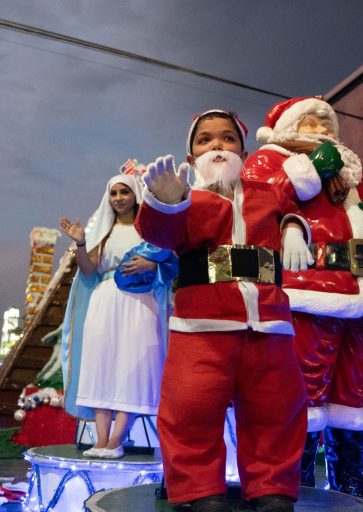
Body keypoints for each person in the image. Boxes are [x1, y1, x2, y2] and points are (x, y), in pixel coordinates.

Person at [243, 97, 363, 504]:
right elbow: (254, 204)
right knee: (303, 389)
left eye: (328, 126)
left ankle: (352, 483)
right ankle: (298, 483)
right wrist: (307, 171)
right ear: (289, 126)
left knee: (359, 391)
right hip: (312, 290)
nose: (324, 131)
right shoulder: (271, 159)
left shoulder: (354, 173)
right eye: (312, 123)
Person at [137, 109, 315, 512]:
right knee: (190, 411)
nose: (217, 144)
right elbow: (160, 234)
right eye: (204, 139)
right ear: (190, 157)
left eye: (227, 138)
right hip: (201, 327)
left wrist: (293, 228)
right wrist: (164, 204)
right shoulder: (187, 199)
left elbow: (295, 210)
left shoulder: (267, 192)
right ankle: (199, 492)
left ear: (243, 149)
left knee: (277, 411)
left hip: (269, 325)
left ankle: (272, 487)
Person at [60, 169, 176, 460]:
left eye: (124, 192)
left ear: (136, 195)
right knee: (102, 366)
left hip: (140, 302)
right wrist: (80, 243)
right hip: (106, 299)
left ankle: (116, 441)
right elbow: (89, 270)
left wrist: (152, 267)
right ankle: (100, 440)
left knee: (133, 367)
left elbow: (174, 264)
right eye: (113, 193)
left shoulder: (151, 230)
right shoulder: (106, 231)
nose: (118, 198)